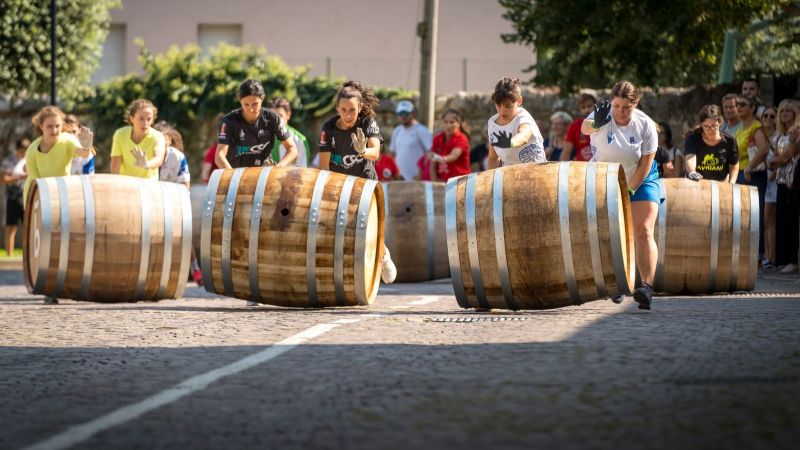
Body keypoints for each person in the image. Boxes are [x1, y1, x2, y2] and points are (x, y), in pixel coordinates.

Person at [582, 81, 658, 309]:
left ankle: (646, 287)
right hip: (605, 176)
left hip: (640, 176)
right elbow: (585, 129)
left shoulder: (645, 124)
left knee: (643, 230)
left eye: (626, 107)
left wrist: (631, 189)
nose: (620, 112)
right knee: (610, 231)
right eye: (616, 106)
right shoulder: (602, 115)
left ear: (635, 104)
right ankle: (617, 282)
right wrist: (598, 120)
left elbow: (646, 163)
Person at [318, 80, 396, 284]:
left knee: (369, 228)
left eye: (352, 110)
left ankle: (383, 254)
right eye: (344, 110)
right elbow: (324, 166)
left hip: (365, 185)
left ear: (360, 107)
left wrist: (362, 151)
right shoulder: (328, 128)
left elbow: (376, 152)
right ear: (338, 109)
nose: (348, 115)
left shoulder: (367, 122)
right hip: (339, 186)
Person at [23, 106, 94, 304]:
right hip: (37, 196)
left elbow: (82, 153)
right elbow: (35, 180)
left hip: (62, 195)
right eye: (49, 126)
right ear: (41, 126)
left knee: (66, 241)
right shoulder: (32, 150)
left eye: (57, 126)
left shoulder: (67, 140)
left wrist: (87, 146)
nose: (54, 130)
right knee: (46, 244)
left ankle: (68, 284)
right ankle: (49, 288)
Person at [153, 122, 204, 286]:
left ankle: (195, 269)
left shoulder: (177, 157)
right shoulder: (149, 156)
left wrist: (173, 198)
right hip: (152, 203)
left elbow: (185, 184)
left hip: (174, 201)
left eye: (163, 139)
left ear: (169, 139)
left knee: (184, 235)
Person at [215, 79, 297, 170]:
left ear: (262, 99)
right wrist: (233, 176)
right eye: (246, 104)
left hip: (263, 173)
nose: (251, 109)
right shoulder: (229, 121)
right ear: (240, 101)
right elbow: (219, 156)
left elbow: (292, 149)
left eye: (255, 104)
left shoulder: (274, 119)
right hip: (235, 172)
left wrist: (279, 167)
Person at [767, 100, 800, 273]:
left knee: (791, 222)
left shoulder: (797, 132)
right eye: (782, 111)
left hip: (793, 181)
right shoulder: (779, 134)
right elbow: (772, 159)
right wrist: (774, 162)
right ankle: (784, 259)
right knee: (782, 222)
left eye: (789, 110)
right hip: (780, 181)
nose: (785, 113)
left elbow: (787, 156)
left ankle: (793, 260)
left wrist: (775, 161)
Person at [736, 95, 769, 261]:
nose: (739, 107)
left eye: (743, 104)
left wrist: (750, 166)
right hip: (742, 175)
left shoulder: (756, 127)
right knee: (744, 216)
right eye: (737, 104)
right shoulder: (742, 128)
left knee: (757, 216)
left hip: (753, 176)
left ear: (753, 108)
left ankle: (759, 256)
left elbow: (763, 150)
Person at [486, 77, 546, 169]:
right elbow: (493, 158)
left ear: (519, 101)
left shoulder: (523, 117)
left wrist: (509, 143)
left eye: (508, 106)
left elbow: (524, 136)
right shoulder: (492, 123)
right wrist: (488, 180)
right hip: (510, 176)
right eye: (498, 105)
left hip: (536, 172)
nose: (502, 111)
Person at [110, 99, 166, 179]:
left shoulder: (158, 136)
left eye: (149, 119)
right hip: (125, 184)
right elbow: (115, 170)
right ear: (132, 119)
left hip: (148, 185)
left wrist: (146, 164)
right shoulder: (120, 134)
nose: (145, 123)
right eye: (141, 118)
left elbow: (159, 159)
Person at [683, 105, 739, 183]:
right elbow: (690, 159)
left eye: (714, 126)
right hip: (698, 184)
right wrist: (692, 172)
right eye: (706, 126)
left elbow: (734, 165)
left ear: (720, 123)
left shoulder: (730, 140)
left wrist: (731, 184)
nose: (711, 129)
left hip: (721, 184)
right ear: (701, 124)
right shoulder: (692, 138)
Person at [389, 100, 433, 181]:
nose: (403, 116)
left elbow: (431, 154)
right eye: (400, 113)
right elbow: (392, 155)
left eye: (406, 113)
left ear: (413, 113)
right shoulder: (397, 130)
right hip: (399, 180)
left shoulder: (421, 130)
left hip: (417, 180)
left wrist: (422, 175)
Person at [2, 138, 29, 256]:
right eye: (22, 150)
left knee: (29, 229)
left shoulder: (31, 160)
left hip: (28, 199)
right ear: (17, 149)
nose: (24, 153)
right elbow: (3, 179)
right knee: (11, 228)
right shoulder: (9, 161)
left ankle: (28, 255)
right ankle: (10, 254)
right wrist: (19, 178)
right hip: (13, 198)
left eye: (26, 150)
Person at [430, 109, 471, 182]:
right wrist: (434, 183)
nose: (448, 125)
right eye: (445, 122)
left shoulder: (462, 138)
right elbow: (432, 165)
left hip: (461, 182)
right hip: (443, 182)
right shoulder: (437, 139)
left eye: (452, 122)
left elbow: (454, 155)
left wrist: (442, 159)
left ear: (458, 124)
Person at [760, 105, 778, 269]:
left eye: (772, 116)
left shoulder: (777, 137)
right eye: (766, 116)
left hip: (773, 180)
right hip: (763, 178)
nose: (768, 119)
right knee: (765, 221)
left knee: (769, 220)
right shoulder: (760, 135)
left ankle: (771, 256)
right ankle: (767, 254)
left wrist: (773, 173)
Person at [268, 98, 310, 167]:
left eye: (279, 116)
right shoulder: (259, 136)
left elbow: (302, 173)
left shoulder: (299, 140)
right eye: (272, 116)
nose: (275, 121)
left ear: (288, 115)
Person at [561, 93, 596, 161]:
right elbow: (566, 153)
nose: (586, 110)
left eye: (589, 106)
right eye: (583, 107)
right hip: (581, 168)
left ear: (595, 106)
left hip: (601, 166)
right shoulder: (574, 126)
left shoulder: (605, 124)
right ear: (580, 109)